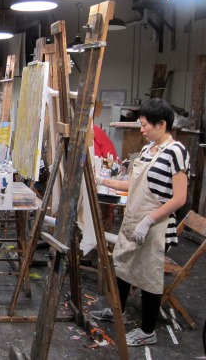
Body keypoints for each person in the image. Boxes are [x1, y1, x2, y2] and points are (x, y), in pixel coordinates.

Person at [89, 98, 189, 346]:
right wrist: (103, 181)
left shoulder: (176, 152)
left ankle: (147, 330)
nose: (141, 129)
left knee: (148, 278)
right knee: (122, 267)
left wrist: (150, 219)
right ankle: (116, 311)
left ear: (161, 123)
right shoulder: (147, 150)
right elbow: (134, 185)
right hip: (134, 220)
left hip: (155, 226)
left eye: (144, 125)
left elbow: (180, 198)